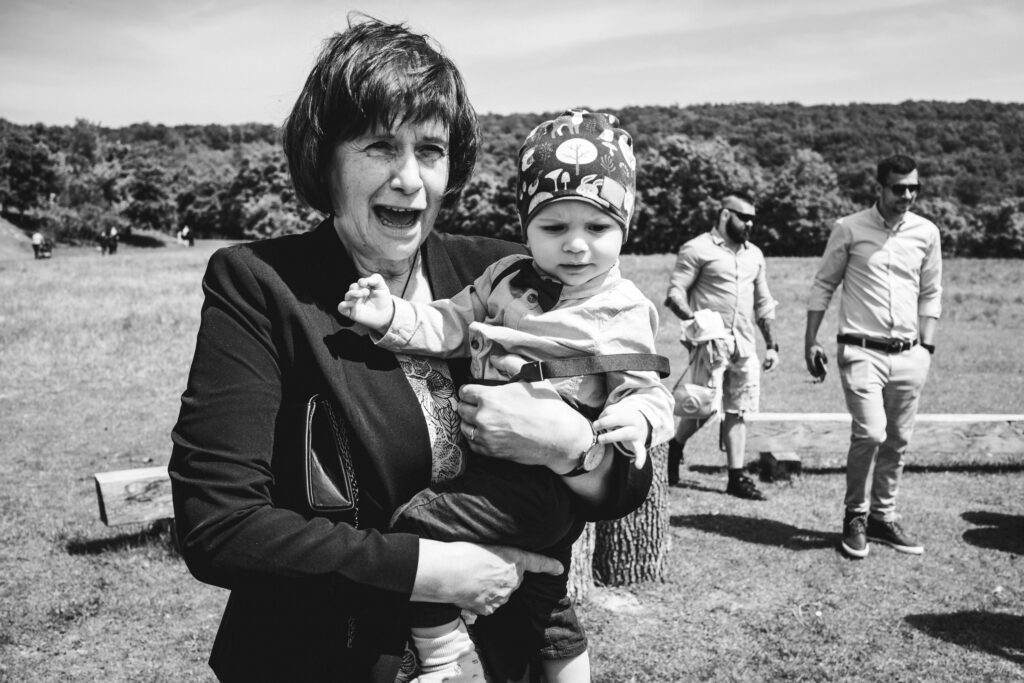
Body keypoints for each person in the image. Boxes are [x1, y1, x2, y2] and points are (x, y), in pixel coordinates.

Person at [168, 16, 653, 683]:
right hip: (327, 661)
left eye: (429, 149)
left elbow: (626, 478)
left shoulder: (507, 274)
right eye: (379, 146)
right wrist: (434, 570)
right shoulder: (260, 284)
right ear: (325, 158)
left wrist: (572, 447)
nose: (408, 178)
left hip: (505, 657)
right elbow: (219, 526)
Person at [341, 109, 674, 682]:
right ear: (526, 226)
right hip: (503, 477)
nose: (576, 245)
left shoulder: (621, 307)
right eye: (554, 227)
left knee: (415, 530)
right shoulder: (502, 277)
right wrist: (390, 315)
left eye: (598, 228)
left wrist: (635, 422)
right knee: (545, 599)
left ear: (625, 227)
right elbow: (450, 322)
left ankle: (445, 658)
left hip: (538, 486)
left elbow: (645, 389)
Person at [804, 154, 941, 559]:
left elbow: (931, 291)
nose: (907, 195)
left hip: (909, 355)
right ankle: (855, 516)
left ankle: (883, 516)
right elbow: (824, 284)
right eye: (899, 188)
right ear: (879, 188)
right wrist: (811, 340)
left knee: (898, 439)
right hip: (861, 350)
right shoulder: (849, 228)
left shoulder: (926, 233)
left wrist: (926, 348)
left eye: (914, 188)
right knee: (871, 433)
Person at [663, 195, 779, 499]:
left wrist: (772, 346)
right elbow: (675, 293)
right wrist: (695, 321)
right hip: (710, 345)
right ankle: (674, 446)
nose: (750, 224)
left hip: (745, 343)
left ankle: (736, 478)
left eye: (753, 219)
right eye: (744, 217)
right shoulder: (697, 248)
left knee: (738, 409)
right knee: (705, 407)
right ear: (726, 215)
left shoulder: (754, 255)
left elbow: (763, 303)